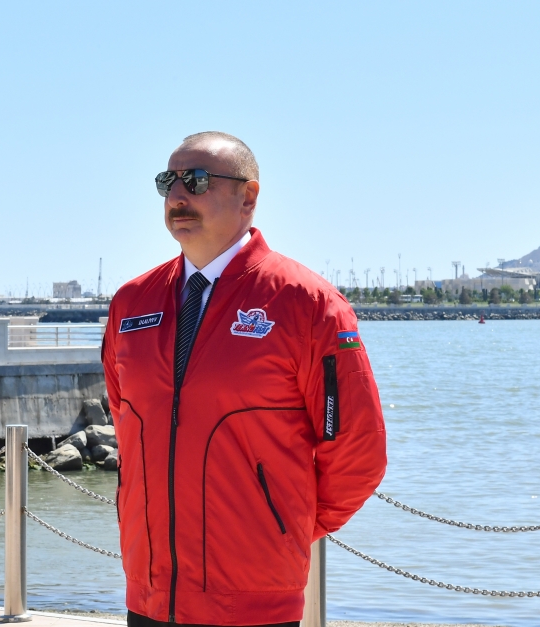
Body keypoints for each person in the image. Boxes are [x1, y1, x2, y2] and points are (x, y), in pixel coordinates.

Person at [101, 131, 387, 627]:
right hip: (148, 596)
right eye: (168, 182)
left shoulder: (307, 303)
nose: (178, 195)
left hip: (254, 602)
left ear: (248, 196)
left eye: (196, 180)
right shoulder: (131, 303)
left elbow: (357, 452)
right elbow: (124, 421)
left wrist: (279, 527)